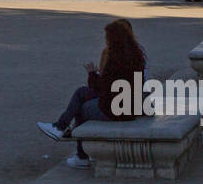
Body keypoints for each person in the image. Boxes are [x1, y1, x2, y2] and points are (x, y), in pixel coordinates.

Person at [36, 19, 149, 169]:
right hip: (128, 105)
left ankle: (80, 154)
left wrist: (92, 74)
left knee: (82, 108)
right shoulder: (136, 55)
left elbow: (102, 87)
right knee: (81, 93)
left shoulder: (116, 58)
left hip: (117, 109)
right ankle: (60, 128)